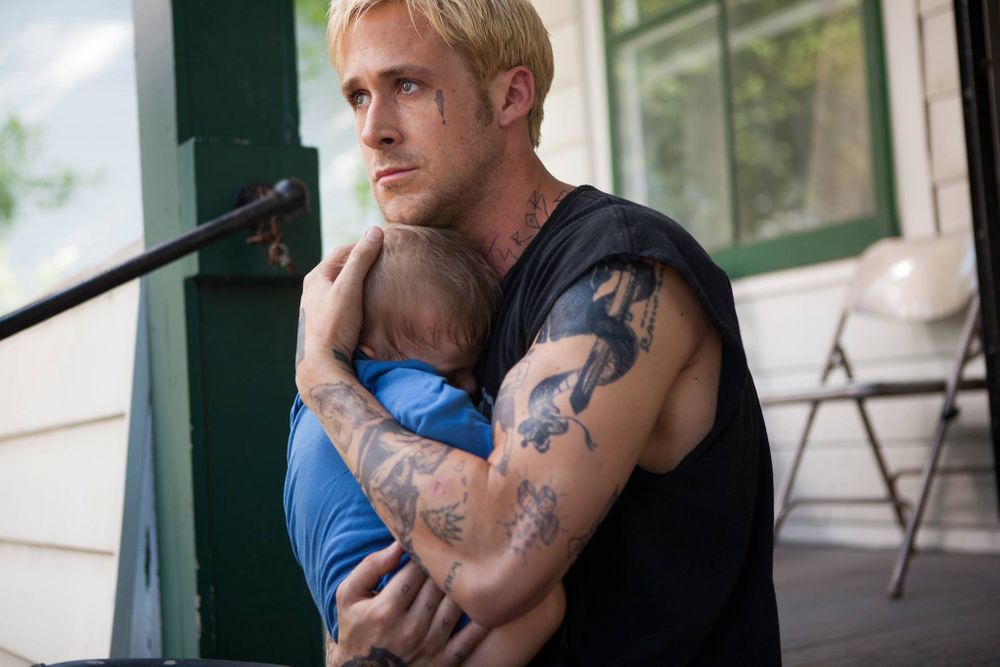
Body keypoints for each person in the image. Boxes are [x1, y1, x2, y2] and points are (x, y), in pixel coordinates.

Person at [293, 0, 782, 664]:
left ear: (510, 95)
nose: (372, 129)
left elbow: (500, 561)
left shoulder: (620, 270)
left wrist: (324, 377)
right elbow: (357, 550)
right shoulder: (423, 302)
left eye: (405, 85)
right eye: (357, 96)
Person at [284, 224, 565, 666]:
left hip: (347, 613)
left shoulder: (307, 410)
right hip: (407, 595)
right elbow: (501, 475)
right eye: (450, 374)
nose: (466, 385)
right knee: (543, 605)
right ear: (374, 351)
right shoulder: (409, 390)